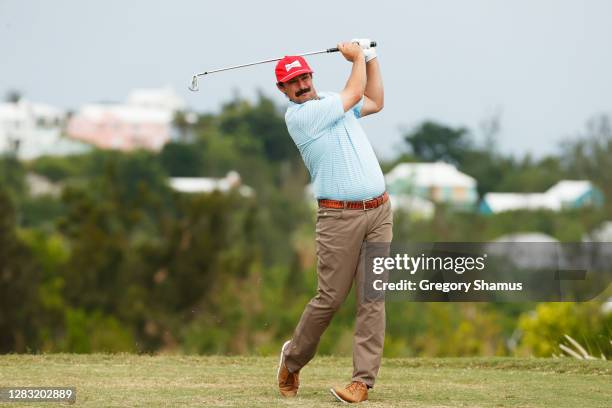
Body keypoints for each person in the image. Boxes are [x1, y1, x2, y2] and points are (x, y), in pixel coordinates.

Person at [275, 39, 393, 403]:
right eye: (293, 82)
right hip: (338, 217)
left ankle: (362, 382)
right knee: (329, 299)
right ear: (283, 89)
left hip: (379, 212)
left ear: (311, 75)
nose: (302, 84)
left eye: (304, 76)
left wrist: (370, 58)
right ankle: (293, 359)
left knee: (372, 298)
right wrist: (356, 56)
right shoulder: (301, 117)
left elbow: (373, 99)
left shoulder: (330, 103)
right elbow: (355, 90)